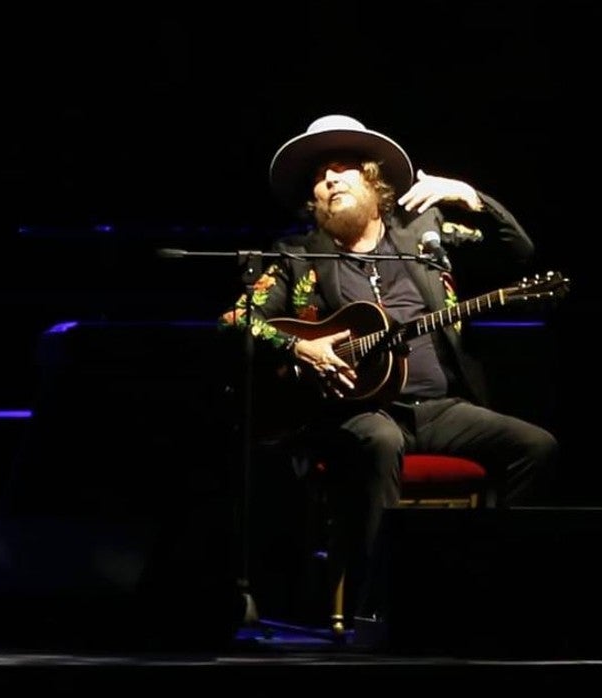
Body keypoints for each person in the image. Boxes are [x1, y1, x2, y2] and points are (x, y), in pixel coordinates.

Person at [218, 114, 559, 624]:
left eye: (341, 169)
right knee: (380, 440)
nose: (328, 181)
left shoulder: (427, 234)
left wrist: (471, 196)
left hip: (438, 408)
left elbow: (519, 252)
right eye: (319, 177)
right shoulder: (297, 256)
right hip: (354, 413)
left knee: (537, 446)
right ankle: (375, 606)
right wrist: (300, 349)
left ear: (374, 182)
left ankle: (491, 582)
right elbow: (238, 319)